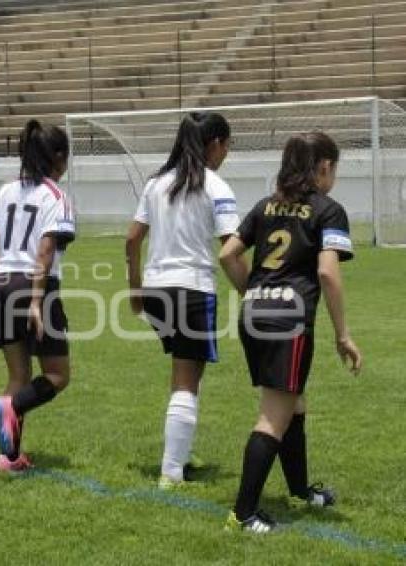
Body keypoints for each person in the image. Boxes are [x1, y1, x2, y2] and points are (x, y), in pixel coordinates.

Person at [221, 132, 362, 533]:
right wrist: (343, 334)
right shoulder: (328, 210)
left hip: (254, 315)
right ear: (324, 168)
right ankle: (244, 513)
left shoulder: (265, 206)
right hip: (290, 321)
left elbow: (228, 254)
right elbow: (327, 273)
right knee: (273, 416)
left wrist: (253, 293)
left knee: (293, 403)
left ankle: (300, 491)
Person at [125, 112, 237, 489]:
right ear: (216, 144)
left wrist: (135, 289)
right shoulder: (216, 186)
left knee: (187, 371)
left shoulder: (156, 184)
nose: (226, 154)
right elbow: (231, 250)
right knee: (187, 379)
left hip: (156, 290)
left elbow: (132, 239)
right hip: (191, 290)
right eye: (226, 146)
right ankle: (171, 472)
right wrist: (252, 291)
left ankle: (182, 454)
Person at [0, 119, 76, 471]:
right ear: (57, 157)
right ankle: (11, 407)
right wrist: (37, 302)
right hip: (33, 287)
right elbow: (45, 249)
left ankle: (9, 458)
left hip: (2, 283)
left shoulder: (7, 190)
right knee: (57, 375)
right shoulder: (56, 196)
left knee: (17, 375)